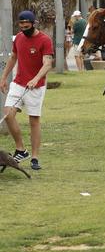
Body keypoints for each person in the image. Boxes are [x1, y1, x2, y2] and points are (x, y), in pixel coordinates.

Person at [0, 11, 54, 170]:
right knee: (8, 114)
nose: (23, 27)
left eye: (27, 25)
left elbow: (48, 64)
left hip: (36, 86)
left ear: (33, 23)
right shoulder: (18, 38)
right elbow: (13, 58)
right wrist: (3, 77)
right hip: (18, 83)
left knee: (34, 121)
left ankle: (35, 157)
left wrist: (36, 78)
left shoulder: (44, 40)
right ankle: (21, 149)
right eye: (21, 25)